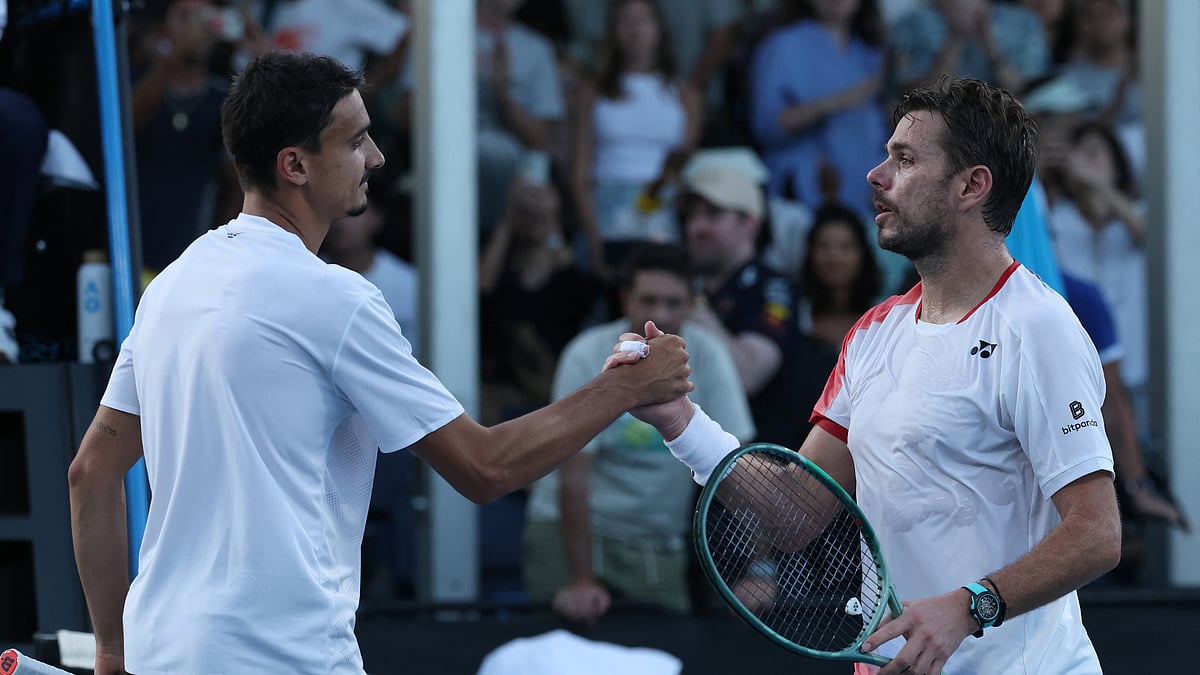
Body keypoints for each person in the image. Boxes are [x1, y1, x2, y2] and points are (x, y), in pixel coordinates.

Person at [67, 51, 693, 675]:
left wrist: (112, 652)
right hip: (281, 658)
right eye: (357, 140)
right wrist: (629, 387)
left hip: (162, 652)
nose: (377, 158)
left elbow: (91, 474)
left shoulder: (172, 285)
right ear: (295, 165)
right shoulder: (336, 298)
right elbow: (485, 467)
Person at [616, 77, 1121, 674]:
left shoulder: (1039, 327)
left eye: (904, 160)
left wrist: (970, 606)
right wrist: (679, 420)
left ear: (971, 186)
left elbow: (1097, 533)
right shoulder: (874, 332)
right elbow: (793, 514)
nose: (875, 176)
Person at [522, 243, 755, 624]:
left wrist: (758, 570)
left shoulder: (710, 355)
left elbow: (741, 468)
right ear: (625, 298)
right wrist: (580, 580)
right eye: (648, 300)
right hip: (567, 536)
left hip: (657, 542)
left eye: (673, 301)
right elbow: (572, 475)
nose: (660, 314)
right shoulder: (585, 353)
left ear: (692, 303)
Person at [569, 0, 702, 279]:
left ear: (660, 30)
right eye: (625, 21)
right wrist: (593, 235)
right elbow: (580, 172)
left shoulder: (685, 94)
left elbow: (685, 165)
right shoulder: (593, 91)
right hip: (606, 208)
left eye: (643, 20)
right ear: (612, 32)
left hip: (662, 208)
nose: (634, 29)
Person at [677, 164, 807, 450]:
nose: (695, 227)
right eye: (692, 216)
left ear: (750, 224)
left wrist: (693, 311)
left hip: (761, 460)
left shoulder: (774, 288)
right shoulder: (690, 289)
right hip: (698, 457)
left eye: (712, 215)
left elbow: (747, 376)